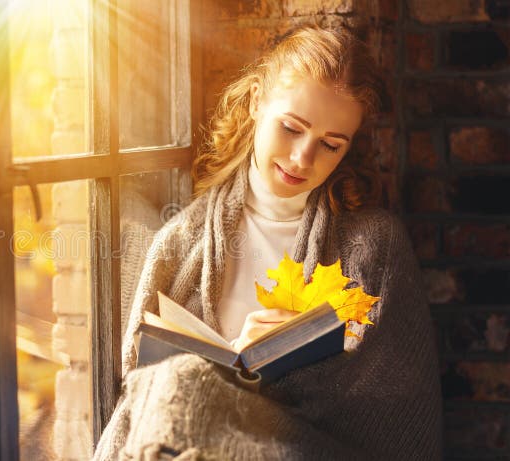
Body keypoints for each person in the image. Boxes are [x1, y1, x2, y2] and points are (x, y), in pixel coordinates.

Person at [93, 25, 443, 460]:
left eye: (331, 145)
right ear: (258, 100)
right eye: (291, 128)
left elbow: (392, 418)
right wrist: (233, 365)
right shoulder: (178, 245)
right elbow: (141, 399)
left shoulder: (375, 247)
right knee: (176, 384)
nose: (302, 158)